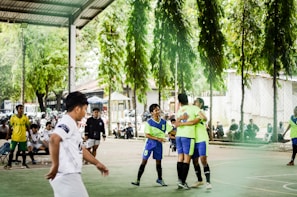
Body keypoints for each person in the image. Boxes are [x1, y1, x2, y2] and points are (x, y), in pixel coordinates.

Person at [46, 91, 109, 197]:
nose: (85, 113)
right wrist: (55, 165)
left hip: (67, 175)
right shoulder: (67, 122)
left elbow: (81, 149)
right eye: (85, 109)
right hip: (67, 175)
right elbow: (54, 139)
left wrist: (97, 163)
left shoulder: (72, 124)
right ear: (77, 109)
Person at [131, 103, 172, 187]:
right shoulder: (149, 122)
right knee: (144, 161)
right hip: (150, 143)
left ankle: (160, 179)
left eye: (158, 109)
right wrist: (157, 138)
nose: (158, 111)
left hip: (158, 145)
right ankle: (137, 180)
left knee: (158, 162)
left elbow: (171, 131)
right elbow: (147, 135)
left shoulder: (163, 122)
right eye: (156, 110)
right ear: (151, 112)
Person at [174, 93, 200, 190]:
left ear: (179, 102)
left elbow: (176, 124)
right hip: (188, 136)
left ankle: (179, 181)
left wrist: (181, 121)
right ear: (187, 100)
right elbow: (200, 118)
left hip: (179, 136)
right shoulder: (193, 108)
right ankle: (183, 182)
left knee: (180, 158)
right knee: (187, 159)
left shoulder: (179, 110)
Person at [191, 98, 212, 190]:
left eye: (196, 102)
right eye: (194, 102)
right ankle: (199, 180)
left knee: (203, 159)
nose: (194, 103)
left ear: (201, 104)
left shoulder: (201, 112)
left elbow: (204, 118)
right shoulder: (192, 112)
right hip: (193, 139)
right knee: (195, 161)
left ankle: (208, 182)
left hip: (202, 139)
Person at [4, 104, 30, 169]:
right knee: (11, 150)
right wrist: (8, 135)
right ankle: (9, 164)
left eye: (22, 109)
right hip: (14, 137)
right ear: (17, 110)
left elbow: (28, 126)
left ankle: (24, 164)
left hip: (23, 137)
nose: (22, 110)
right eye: (20, 109)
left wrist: (30, 134)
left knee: (24, 151)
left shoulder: (25, 117)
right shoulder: (13, 117)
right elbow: (10, 127)